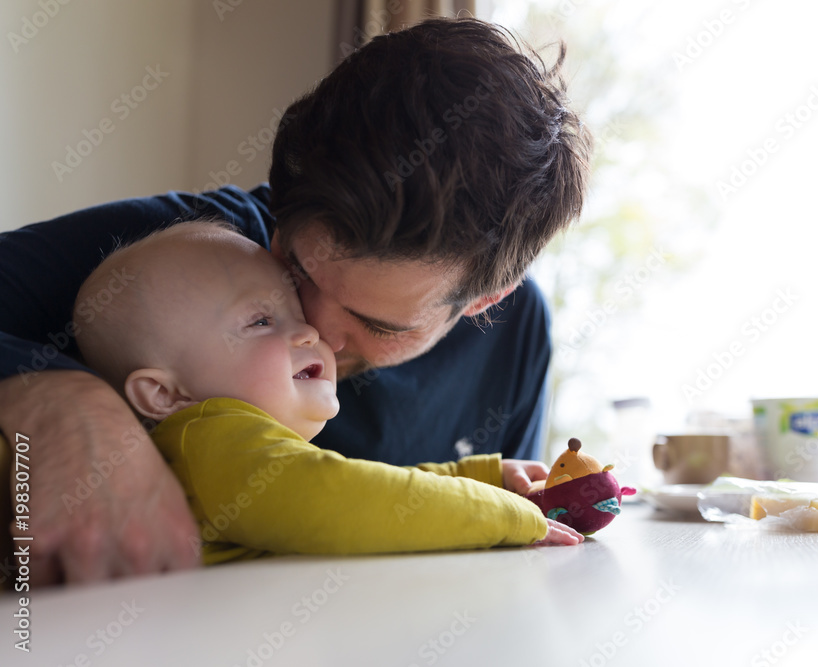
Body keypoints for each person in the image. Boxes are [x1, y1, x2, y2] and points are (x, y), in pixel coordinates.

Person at [0, 17, 591, 583]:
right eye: (295, 270)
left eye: (375, 323)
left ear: (485, 301)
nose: (316, 329)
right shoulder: (188, 254)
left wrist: (494, 489)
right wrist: (61, 397)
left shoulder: (518, 337)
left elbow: (498, 554)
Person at [54, 221, 582, 561]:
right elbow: (354, 499)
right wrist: (508, 517)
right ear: (164, 395)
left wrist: (482, 476)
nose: (311, 331)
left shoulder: (239, 452)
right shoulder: (210, 444)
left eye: (292, 311)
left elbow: (363, 483)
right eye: (261, 320)